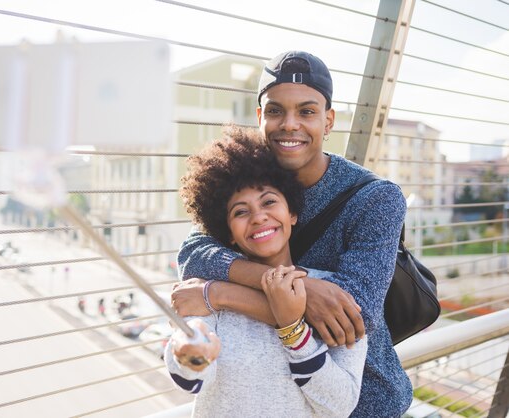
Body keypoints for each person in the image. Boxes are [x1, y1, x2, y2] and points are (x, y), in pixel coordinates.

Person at [173, 51, 412, 417]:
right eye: (275, 110)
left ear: (329, 120)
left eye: (307, 111)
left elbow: (351, 320)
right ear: (259, 117)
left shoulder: (375, 199)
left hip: (361, 401)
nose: (289, 124)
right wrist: (300, 290)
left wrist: (220, 293)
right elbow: (194, 253)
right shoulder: (244, 183)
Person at [165, 127, 367, 417]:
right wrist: (189, 351)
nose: (259, 217)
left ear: (293, 213)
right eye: (240, 212)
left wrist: (294, 334)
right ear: (229, 233)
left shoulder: (333, 295)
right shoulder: (209, 291)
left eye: (269, 202)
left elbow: (340, 404)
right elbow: (191, 381)